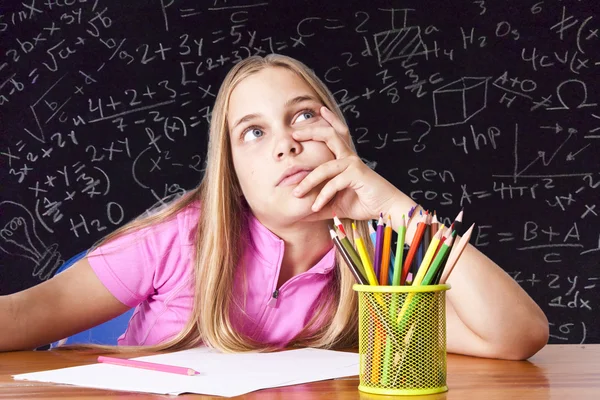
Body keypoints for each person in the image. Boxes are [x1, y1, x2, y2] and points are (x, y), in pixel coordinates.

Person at [0, 54, 549, 359]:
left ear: (340, 134)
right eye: (254, 132)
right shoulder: (177, 240)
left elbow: (515, 337)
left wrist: (390, 202)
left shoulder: (379, 267)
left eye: (304, 116)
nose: (286, 142)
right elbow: (25, 315)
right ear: (232, 171)